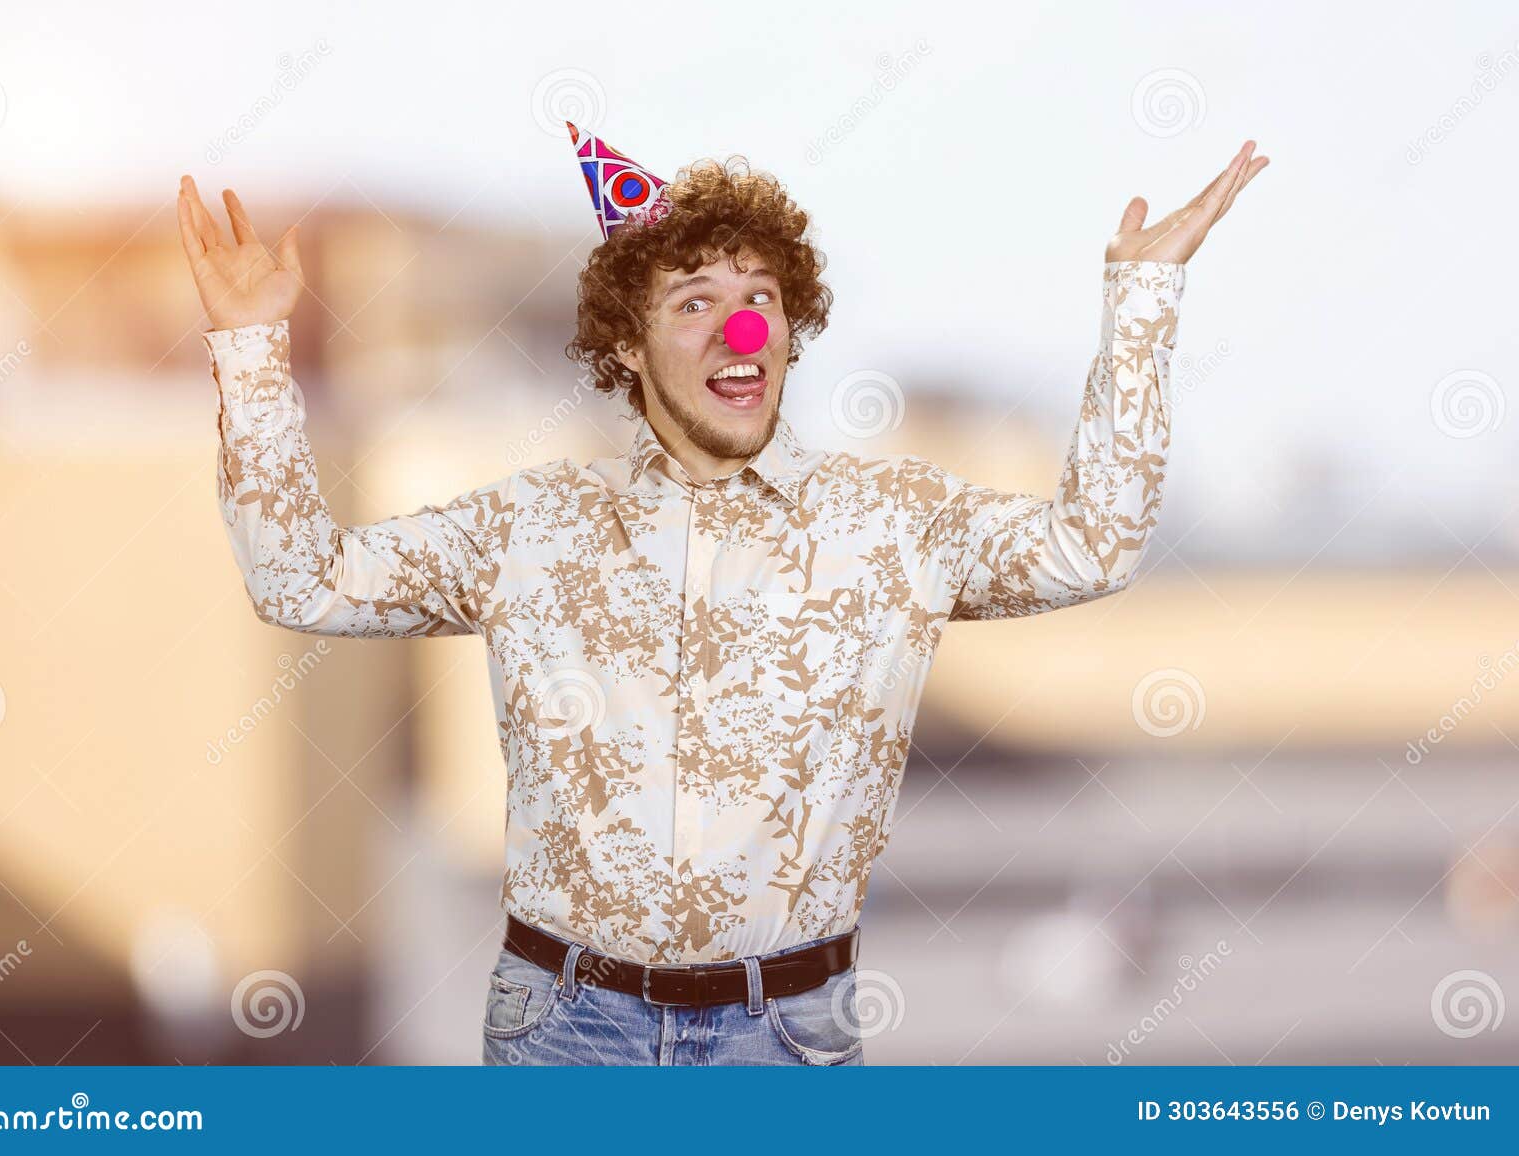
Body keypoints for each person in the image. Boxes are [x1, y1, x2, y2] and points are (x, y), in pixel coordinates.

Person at [175, 123, 1268, 1065]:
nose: (739, 327)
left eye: (760, 299)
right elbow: (301, 578)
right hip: (563, 1030)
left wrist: (1143, 299)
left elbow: (1090, 547)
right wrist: (250, 348)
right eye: (694, 300)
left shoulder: (886, 525)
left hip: (783, 1035)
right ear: (626, 342)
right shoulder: (529, 526)